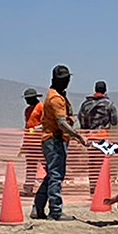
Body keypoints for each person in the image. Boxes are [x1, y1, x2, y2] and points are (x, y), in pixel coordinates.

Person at [32, 65, 88, 221]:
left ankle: (38, 207)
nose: (67, 82)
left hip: (52, 139)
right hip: (55, 139)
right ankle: (55, 211)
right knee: (56, 175)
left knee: (52, 174)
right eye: (65, 79)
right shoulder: (56, 98)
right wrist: (78, 136)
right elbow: (61, 123)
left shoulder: (55, 95)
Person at [79, 81, 118, 196]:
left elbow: (81, 120)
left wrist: (87, 130)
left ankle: (93, 188)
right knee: (103, 164)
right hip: (103, 137)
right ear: (105, 90)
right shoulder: (109, 104)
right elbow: (114, 121)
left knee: (92, 164)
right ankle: (101, 189)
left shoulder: (86, 104)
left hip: (90, 138)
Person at [21, 88, 45, 196]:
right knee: (30, 165)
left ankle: (50, 185)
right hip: (30, 142)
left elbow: (46, 123)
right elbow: (27, 126)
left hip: (40, 141)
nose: (27, 101)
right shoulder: (27, 110)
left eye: (28, 99)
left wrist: (36, 129)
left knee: (46, 164)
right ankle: (29, 187)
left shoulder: (41, 107)